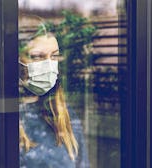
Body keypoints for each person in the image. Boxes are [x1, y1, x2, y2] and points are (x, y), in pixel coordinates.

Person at [18, 32, 89, 168]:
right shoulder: (9, 116)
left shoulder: (64, 114)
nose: (48, 64)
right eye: (37, 56)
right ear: (19, 60)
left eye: (54, 56)